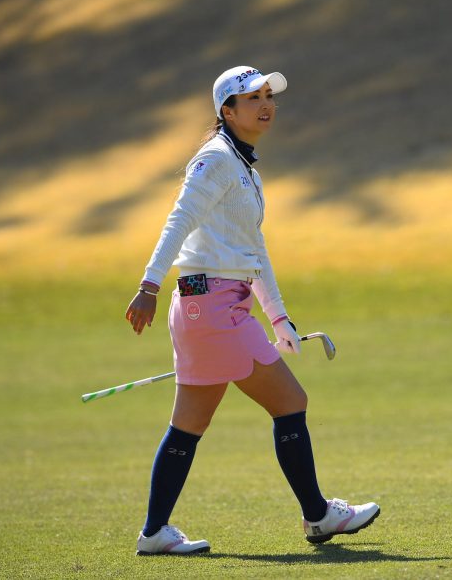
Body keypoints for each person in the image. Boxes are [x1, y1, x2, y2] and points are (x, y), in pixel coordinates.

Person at [125, 65, 380, 555]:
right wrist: (148, 284)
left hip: (213, 305)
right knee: (291, 403)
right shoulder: (215, 160)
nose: (266, 104)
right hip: (211, 307)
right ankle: (318, 515)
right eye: (252, 97)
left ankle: (155, 532)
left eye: (269, 95)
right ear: (227, 110)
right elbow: (177, 220)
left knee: (188, 425)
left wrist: (278, 317)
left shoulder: (243, 167)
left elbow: (252, 250)